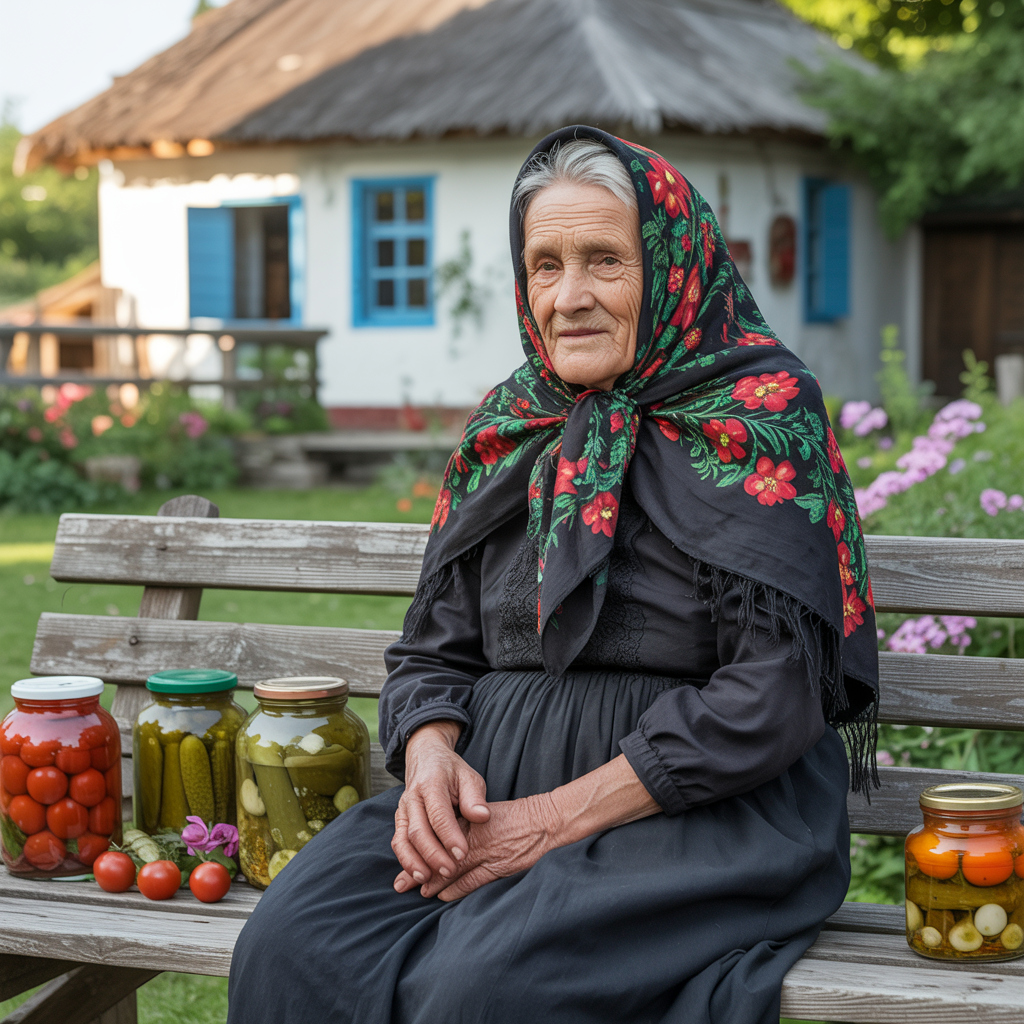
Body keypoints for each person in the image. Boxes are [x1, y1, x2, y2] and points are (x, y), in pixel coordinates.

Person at [227, 125, 879, 1024]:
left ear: (671, 266)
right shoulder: (513, 424)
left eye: (604, 260)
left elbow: (775, 691)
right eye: (544, 264)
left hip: (697, 807)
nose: (568, 296)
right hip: (490, 787)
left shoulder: (760, 416)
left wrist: (557, 819)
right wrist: (428, 765)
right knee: (293, 944)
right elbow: (432, 648)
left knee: (483, 991)